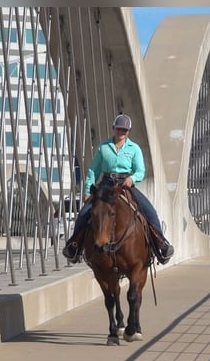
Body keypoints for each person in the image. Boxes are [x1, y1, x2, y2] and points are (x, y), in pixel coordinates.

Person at [62, 113, 175, 264]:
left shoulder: (134, 149)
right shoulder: (103, 148)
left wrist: (132, 179)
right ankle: (74, 246)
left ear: (128, 131)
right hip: (106, 184)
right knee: (85, 212)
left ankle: (161, 244)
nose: (121, 132)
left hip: (125, 184)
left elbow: (140, 170)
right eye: (119, 129)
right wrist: (88, 191)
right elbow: (93, 170)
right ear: (113, 129)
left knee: (149, 210)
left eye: (125, 130)